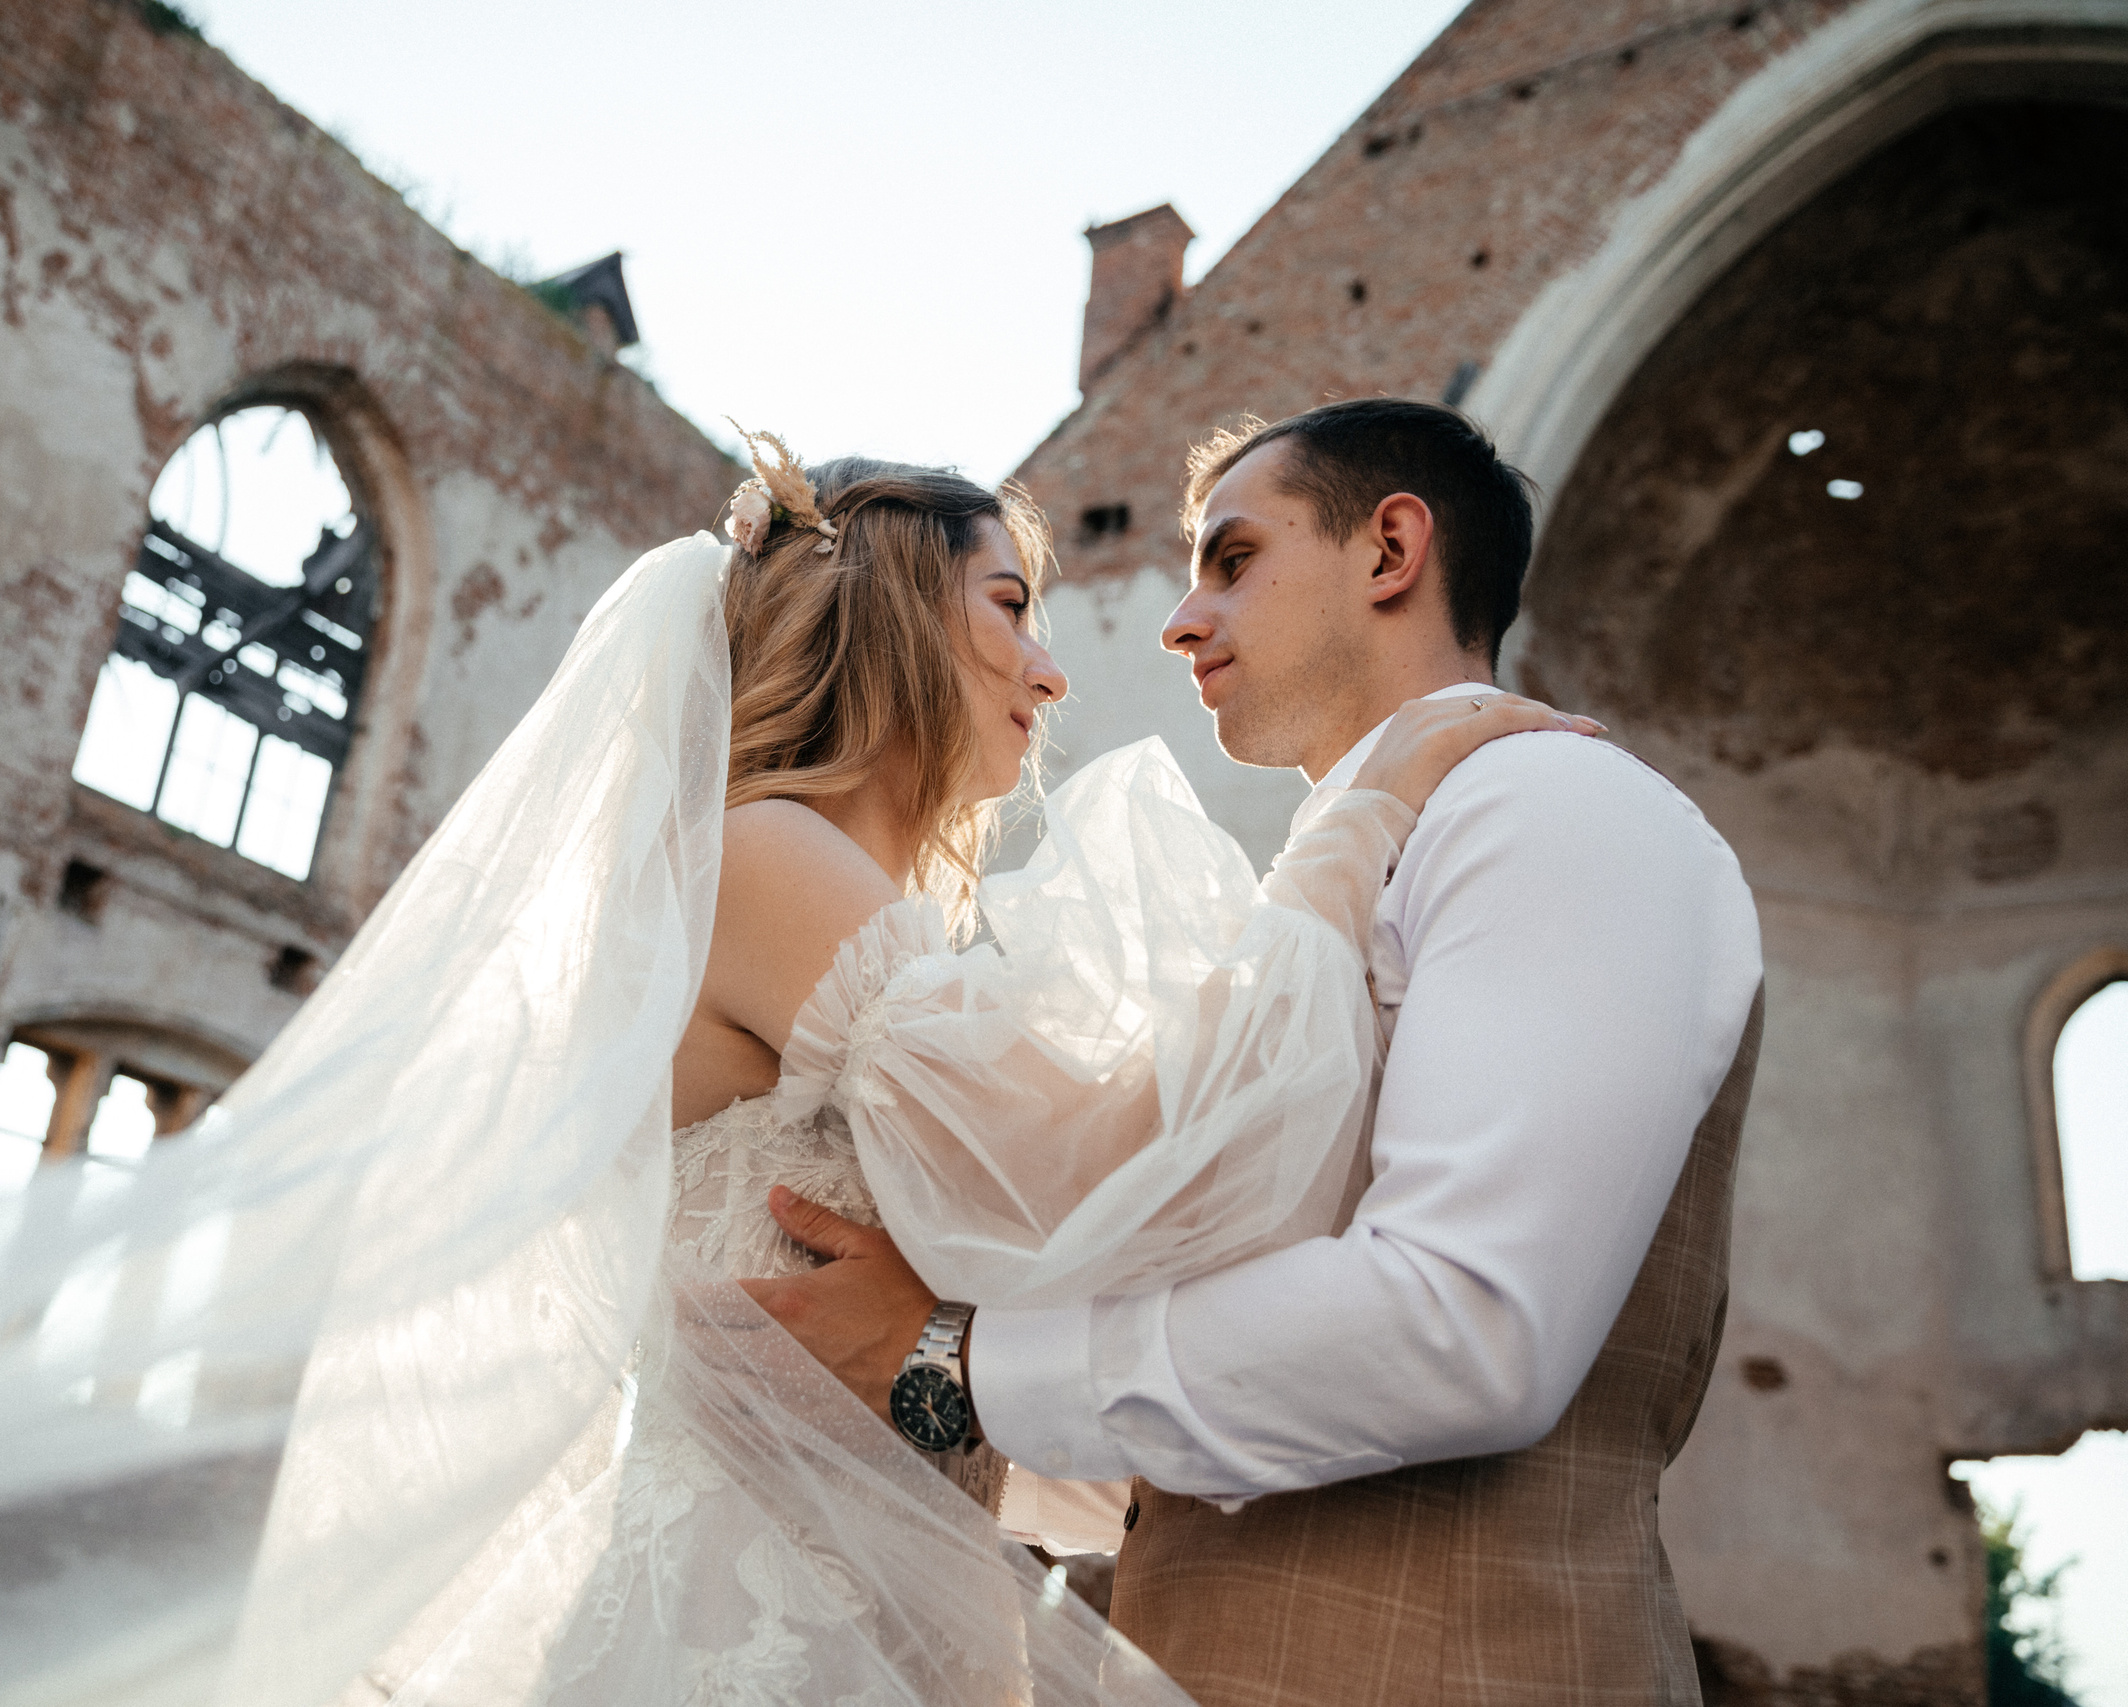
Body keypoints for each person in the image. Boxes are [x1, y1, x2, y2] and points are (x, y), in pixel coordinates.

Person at [308, 429, 1594, 1706]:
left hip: (889, 1604)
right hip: (749, 1623)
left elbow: (1030, 1248)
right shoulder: (762, 854)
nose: (1050, 673)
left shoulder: (851, 912)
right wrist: (1357, 827)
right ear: (895, 617)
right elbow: (1093, 1164)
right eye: (1011, 605)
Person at [746, 399, 1765, 1707]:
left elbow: (1467, 1326)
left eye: (1232, 559)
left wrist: (957, 1360)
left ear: (1392, 550)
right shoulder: (1326, 893)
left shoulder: (1546, 798)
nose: (1178, 620)